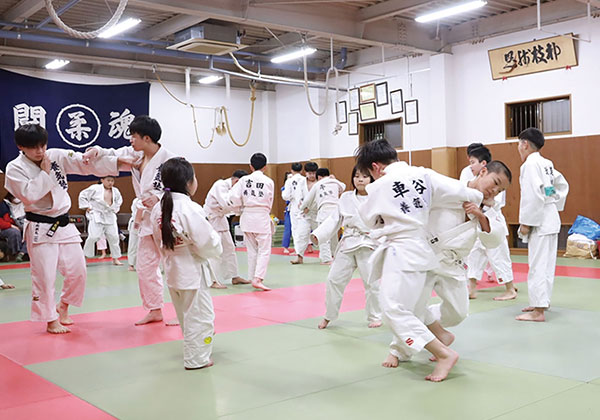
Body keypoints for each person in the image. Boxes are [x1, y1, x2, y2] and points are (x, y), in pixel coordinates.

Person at [356, 139, 483, 382]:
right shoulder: (423, 174)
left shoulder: (380, 186)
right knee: (413, 307)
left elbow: (368, 220)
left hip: (401, 253)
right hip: (425, 251)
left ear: (375, 166)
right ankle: (440, 337)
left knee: (392, 308)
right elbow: (466, 192)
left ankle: (443, 353)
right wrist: (480, 195)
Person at [4, 123, 124, 334]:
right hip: (40, 225)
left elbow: (83, 163)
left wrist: (96, 154)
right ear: (21, 146)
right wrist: (44, 173)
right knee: (45, 276)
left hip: (63, 223)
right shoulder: (15, 168)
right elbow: (29, 195)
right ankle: (50, 319)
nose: (40, 151)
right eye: (34, 147)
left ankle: (63, 305)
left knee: (78, 271)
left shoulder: (55, 155)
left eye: (43, 145)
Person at [84, 115, 175, 325]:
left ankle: (183, 310)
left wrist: (161, 197)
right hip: (146, 219)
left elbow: (187, 186)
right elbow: (112, 153)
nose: (131, 140)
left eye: (134, 136)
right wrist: (97, 150)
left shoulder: (171, 159)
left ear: (147, 138)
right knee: (145, 267)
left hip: (166, 216)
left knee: (174, 264)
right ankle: (155, 309)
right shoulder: (135, 155)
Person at [424, 161, 512, 354]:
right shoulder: (451, 189)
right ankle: (398, 350)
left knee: (458, 313)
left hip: (452, 264)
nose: (494, 191)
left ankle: (425, 324)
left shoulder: (490, 209)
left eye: (499, 190)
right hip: (427, 257)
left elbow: (494, 239)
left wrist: (480, 215)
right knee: (412, 304)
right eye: (495, 182)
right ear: (483, 171)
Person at [151, 157, 222, 370]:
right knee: (201, 317)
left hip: (172, 267)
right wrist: (215, 248)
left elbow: (158, 240)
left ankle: (195, 352)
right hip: (191, 268)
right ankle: (197, 359)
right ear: (189, 182)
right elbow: (207, 242)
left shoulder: (158, 208)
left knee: (186, 315)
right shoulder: (189, 208)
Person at [315, 166, 381, 329]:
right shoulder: (345, 197)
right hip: (349, 242)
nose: (360, 179)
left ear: (371, 179)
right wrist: (318, 235)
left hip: (369, 243)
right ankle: (329, 315)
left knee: (372, 282)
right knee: (333, 279)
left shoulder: (378, 198)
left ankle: (375, 315)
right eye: (357, 176)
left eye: (365, 176)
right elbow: (333, 220)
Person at [516, 128, 569, 322]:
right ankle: (541, 302)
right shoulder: (546, 163)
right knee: (545, 264)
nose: (518, 149)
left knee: (538, 264)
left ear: (525, 144)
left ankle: (538, 311)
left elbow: (532, 195)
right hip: (550, 216)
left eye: (519, 145)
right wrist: (553, 200)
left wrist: (526, 223)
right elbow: (560, 185)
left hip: (539, 219)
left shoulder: (530, 164)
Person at [460, 144, 517, 301]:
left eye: (473, 162)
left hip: (493, 221)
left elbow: (492, 203)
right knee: (474, 254)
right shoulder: (470, 179)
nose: (471, 166)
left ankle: (510, 288)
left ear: (483, 165)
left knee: (498, 254)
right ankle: (471, 288)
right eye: (470, 162)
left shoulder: (495, 183)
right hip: (476, 223)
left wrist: (480, 208)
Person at [227, 153, 274, 291]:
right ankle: (258, 278)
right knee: (264, 250)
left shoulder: (244, 180)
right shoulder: (269, 182)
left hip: (247, 216)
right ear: (265, 167)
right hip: (261, 216)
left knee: (252, 250)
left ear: (251, 166)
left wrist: (239, 208)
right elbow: (270, 201)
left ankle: (253, 276)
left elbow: (233, 197)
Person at [203, 170, 251, 288]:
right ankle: (213, 281)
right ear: (237, 181)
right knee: (215, 250)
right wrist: (241, 208)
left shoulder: (232, 188)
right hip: (212, 219)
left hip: (221, 219)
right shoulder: (220, 185)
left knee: (229, 248)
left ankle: (234, 276)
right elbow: (225, 204)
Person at [300, 168, 345, 264]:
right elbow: (343, 186)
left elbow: (308, 200)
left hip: (324, 211)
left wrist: (302, 207)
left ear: (319, 177)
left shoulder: (317, 185)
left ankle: (326, 259)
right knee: (333, 235)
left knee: (323, 236)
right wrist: (334, 179)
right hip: (337, 211)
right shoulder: (335, 183)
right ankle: (336, 256)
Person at [78, 176, 123, 265]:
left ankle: (115, 258)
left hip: (110, 215)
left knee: (114, 237)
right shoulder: (95, 188)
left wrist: (115, 209)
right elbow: (82, 195)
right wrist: (87, 207)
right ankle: (84, 257)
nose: (110, 183)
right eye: (108, 180)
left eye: (112, 181)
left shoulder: (116, 191)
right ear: (102, 180)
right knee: (93, 237)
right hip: (97, 215)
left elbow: (119, 201)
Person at [0, 194, 28, 262]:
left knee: (30, 232)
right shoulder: (3, 206)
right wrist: (11, 226)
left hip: (24, 226)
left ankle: (22, 253)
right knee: (14, 232)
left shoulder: (25, 204)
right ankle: (15, 253)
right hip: (6, 228)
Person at [280, 172, 293, 254]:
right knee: (288, 229)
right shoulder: (284, 188)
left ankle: (307, 246)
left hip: (299, 210)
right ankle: (285, 246)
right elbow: (286, 198)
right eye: (289, 178)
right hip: (289, 210)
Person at [127, 198, 141, 271]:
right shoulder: (137, 200)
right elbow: (137, 213)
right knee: (133, 244)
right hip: (136, 223)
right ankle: (131, 264)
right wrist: (137, 224)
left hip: (149, 223)